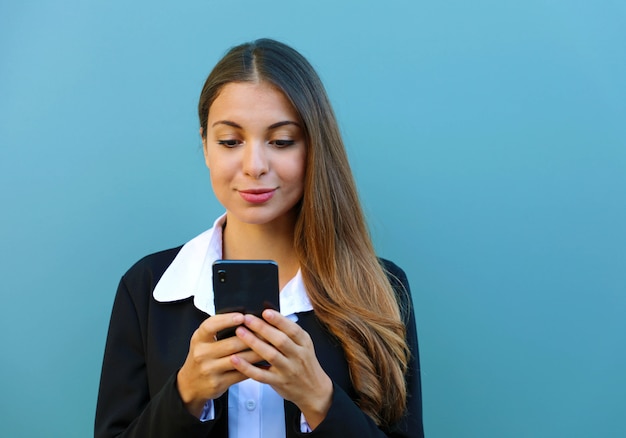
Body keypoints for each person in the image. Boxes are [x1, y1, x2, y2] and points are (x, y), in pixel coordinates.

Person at [95, 38, 424, 438]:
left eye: (281, 141)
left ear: (314, 147)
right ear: (205, 146)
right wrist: (185, 395)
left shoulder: (381, 287)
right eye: (230, 141)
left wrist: (319, 398)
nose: (254, 166)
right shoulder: (146, 288)